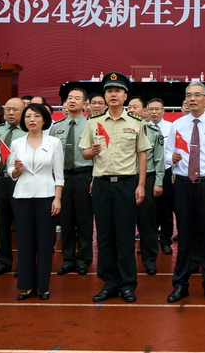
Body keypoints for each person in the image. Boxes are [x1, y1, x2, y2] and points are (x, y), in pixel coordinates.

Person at [80, 72, 150, 303]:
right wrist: (91, 152)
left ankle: (128, 284)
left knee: (126, 236)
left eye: (117, 91)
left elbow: (142, 155)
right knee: (105, 236)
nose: (113, 94)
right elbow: (85, 153)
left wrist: (141, 185)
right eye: (109, 91)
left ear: (125, 95)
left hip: (126, 184)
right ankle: (109, 282)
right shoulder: (93, 122)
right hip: (101, 185)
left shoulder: (136, 122)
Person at [165, 81, 205, 303]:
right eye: (188, 95)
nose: (192, 99)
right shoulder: (177, 125)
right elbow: (166, 155)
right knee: (184, 237)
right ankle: (180, 284)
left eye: (197, 95)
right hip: (183, 185)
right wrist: (171, 159)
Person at [8, 103, 63, 300]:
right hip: (22, 196)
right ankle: (26, 285)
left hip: (46, 196)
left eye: (36, 116)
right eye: (28, 116)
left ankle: (43, 286)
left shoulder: (54, 142)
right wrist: (16, 170)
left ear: (44, 120)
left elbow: (59, 174)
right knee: (24, 242)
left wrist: (57, 198)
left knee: (45, 243)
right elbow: (11, 171)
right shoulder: (17, 143)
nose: (32, 119)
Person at [50, 88, 93, 275]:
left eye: (77, 98)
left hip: (84, 174)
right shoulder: (57, 127)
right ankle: (68, 259)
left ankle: (83, 260)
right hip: (63, 177)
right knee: (65, 220)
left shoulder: (92, 125)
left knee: (84, 220)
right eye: (69, 98)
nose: (72, 101)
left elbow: (99, 155)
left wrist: (94, 178)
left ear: (85, 104)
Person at [0, 97, 26, 276]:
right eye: (8, 109)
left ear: (23, 112)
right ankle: (2, 262)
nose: (11, 113)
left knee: (22, 223)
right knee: (0, 223)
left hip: (20, 180)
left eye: (15, 109)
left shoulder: (28, 132)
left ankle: (24, 263)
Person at [128, 96, 163, 276]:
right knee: (124, 222)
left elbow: (159, 159)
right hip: (126, 179)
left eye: (135, 107)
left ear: (145, 111)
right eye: (129, 107)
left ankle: (150, 260)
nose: (131, 110)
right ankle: (125, 262)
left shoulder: (153, 132)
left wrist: (158, 182)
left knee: (147, 223)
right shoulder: (121, 129)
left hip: (148, 179)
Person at [148, 98, 176, 254]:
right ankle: (150, 241)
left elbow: (176, 150)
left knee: (166, 209)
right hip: (148, 172)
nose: (154, 112)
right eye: (151, 109)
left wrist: (174, 172)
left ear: (163, 111)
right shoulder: (143, 128)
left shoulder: (171, 127)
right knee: (148, 210)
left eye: (157, 109)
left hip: (166, 172)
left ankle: (165, 241)